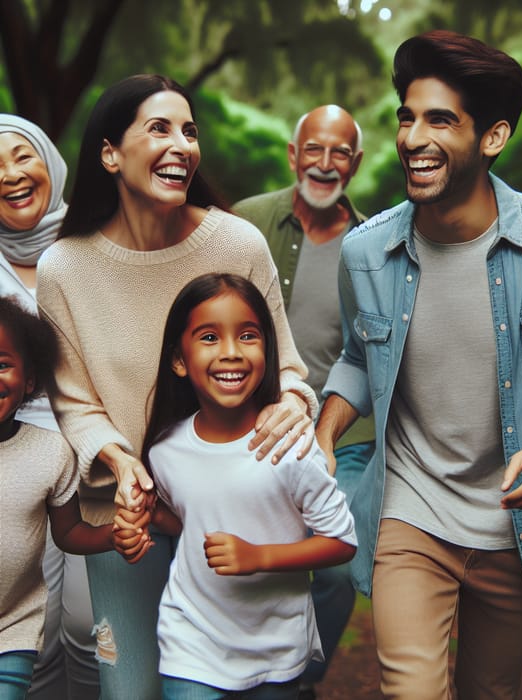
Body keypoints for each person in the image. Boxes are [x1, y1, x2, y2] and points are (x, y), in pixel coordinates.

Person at [314, 30, 522, 700]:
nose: (413, 137)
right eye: (407, 117)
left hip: (516, 522)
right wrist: (324, 435)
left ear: (493, 137)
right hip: (411, 512)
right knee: (411, 690)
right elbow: (360, 357)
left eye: (440, 120)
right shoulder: (364, 253)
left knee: (491, 690)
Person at [35, 74, 318, 700]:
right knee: (128, 688)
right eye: (159, 128)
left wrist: (293, 407)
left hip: (228, 506)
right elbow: (75, 402)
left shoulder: (236, 242)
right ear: (110, 153)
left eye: (189, 131)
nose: (182, 145)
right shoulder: (64, 267)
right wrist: (118, 459)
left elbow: (289, 372)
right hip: (126, 514)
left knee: (245, 687)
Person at [122, 272, 357, 699]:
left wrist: (258, 556)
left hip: (276, 650)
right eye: (209, 338)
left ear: (267, 350)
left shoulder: (291, 447)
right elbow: (189, 521)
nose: (230, 353)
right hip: (191, 642)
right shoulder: (164, 449)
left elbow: (341, 542)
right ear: (179, 359)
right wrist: (148, 515)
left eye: (247, 336)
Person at [233, 104, 374, 698]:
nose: (324, 163)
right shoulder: (244, 223)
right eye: (312, 149)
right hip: (249, 431)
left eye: (339, 151)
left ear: (356, 162)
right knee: (239, 559)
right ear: (293, 156)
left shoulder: (373, 244)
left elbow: (374, 350)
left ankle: (301, 674)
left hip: (343, 439)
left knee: (337, 571)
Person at [0, 114, 98, 699]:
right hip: (16, 465)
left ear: (50, 163)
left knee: (90, 628)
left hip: (96, 456)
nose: (10, 176)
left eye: (22, 156)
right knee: (30, 634)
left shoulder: (92, 246)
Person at [0, 296, 121, 700]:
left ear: (30, 380)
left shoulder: (51, 452)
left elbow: (69, 533)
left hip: (13, 628)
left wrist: (111, 536)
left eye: (2, 364)